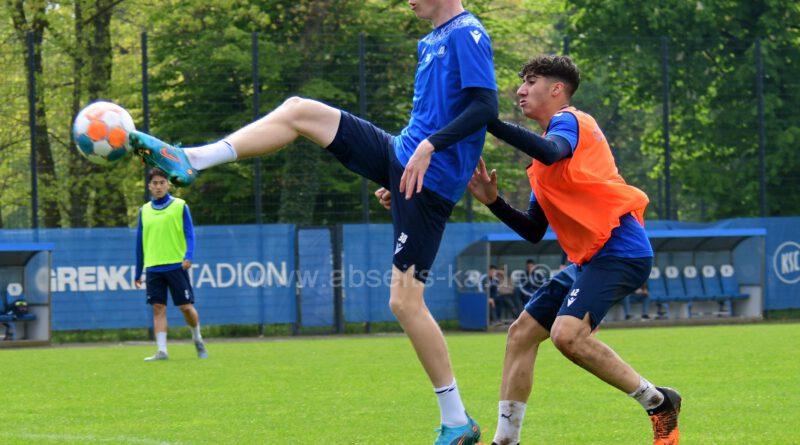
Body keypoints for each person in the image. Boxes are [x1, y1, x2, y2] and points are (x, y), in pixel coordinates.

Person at [129, 2, 496, 443]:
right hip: (401, 158)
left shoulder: (467, 33)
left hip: (428, 185)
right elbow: (433, 116)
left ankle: (457, 421)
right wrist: (398, 173)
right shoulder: (430, 40)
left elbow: (485, 108)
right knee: (299, 110)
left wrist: (429, 149)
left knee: (404, 303)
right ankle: (193, 158)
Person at [466, 55, 681, 445]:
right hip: (591, 259)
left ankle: (658, 402)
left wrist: (490, 122)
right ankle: (505, 440)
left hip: (620, 249)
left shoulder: (572, 121)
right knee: (521, 333)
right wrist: (493, 202)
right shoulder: (542, 164)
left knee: (567, 336)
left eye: (531, 81)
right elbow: (533, 229)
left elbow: (553, 150)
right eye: (522, 82)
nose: (521, 90)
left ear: (556, 89)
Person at [135, 168, 208, 361]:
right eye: (155, 183)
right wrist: (138, 270)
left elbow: (190, 234)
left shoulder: (180, 206)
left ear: (168, 184)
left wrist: (188, 256)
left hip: (176, 265)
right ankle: (162, 351)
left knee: (186, 307)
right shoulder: (144, 211)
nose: (158, 186)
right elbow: (139, 243)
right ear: (149, 186)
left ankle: (197, 338)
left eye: (162, 182)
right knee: (158, 308)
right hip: (153, 267)